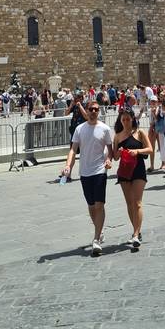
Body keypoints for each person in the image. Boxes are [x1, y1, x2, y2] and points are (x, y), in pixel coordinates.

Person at [62, 100, 113, 256]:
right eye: (91, 109)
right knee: (91, 206)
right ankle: (100, 229)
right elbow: (73, 150)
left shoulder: (104, 129)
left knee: (99, 204)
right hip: (84, 172)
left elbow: (110, 149)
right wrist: (68, 166)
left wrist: (109, 159)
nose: (93, 111)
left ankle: (96, 239)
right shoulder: (79, 129)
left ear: (99, 111)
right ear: (87, 110)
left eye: (96, 109)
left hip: (99, 171)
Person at [113, 106, 151, 249]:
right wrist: (119, 152)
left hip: (138, 169)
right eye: (123, 119)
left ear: (133, 119)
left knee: (137, 203)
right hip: (124, 171)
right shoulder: (117, 135)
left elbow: (150, 149)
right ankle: (136, 230)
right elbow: (115, 157)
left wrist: (137, 151)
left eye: (128, 119)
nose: (126, 122)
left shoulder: (140, 132)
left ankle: (136, 234)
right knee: (129, 203)